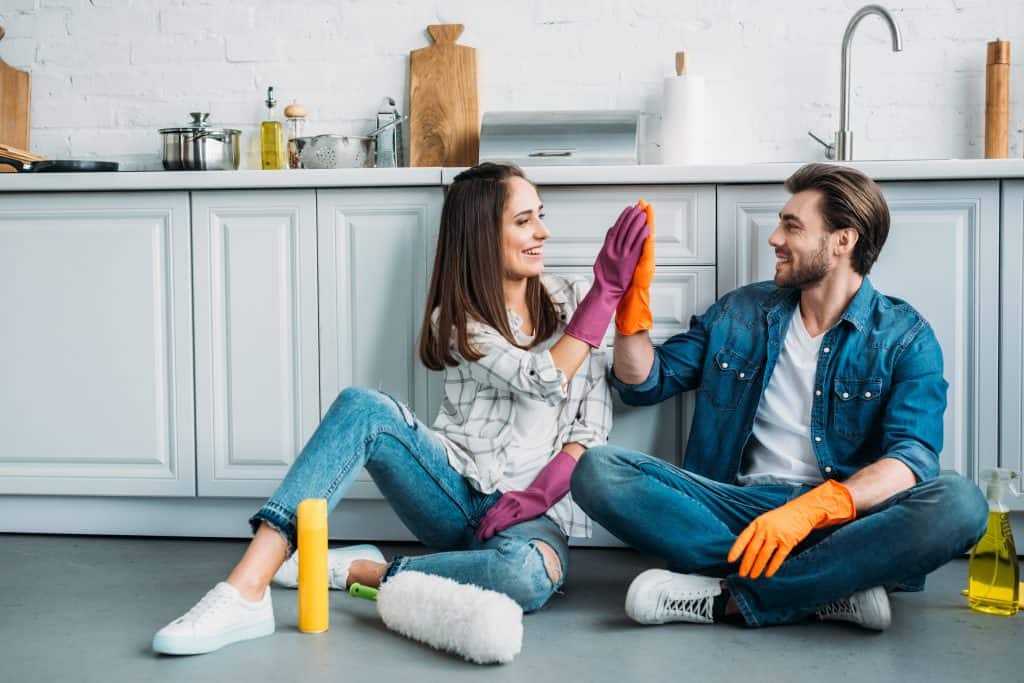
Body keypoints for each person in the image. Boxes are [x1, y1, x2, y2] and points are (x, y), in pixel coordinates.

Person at [152, 162, 649, 655]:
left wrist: (536, 497)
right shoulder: (455, 322)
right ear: (481, 235)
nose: (543, 231)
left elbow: (590, 428)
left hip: (533, 516)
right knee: (363, 407)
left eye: (539, 214)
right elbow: (541, 379)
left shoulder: (575, 300)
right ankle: (244, 590)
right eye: (523, 221)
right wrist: (607, 292)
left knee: (526, 576)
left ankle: (361, 571)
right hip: (454, 492)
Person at [570, 163, 989, 630]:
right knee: (596, 470)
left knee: (961, 503)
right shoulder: (742, 311)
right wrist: (630, 301)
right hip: (735, 505)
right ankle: (827, 587)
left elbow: (911, 459)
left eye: (792, 225)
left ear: (843, 241)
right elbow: (645, 382)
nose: (774, 238)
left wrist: (811, 510)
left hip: (840, 519)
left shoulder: (904, 336)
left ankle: (725, 597)